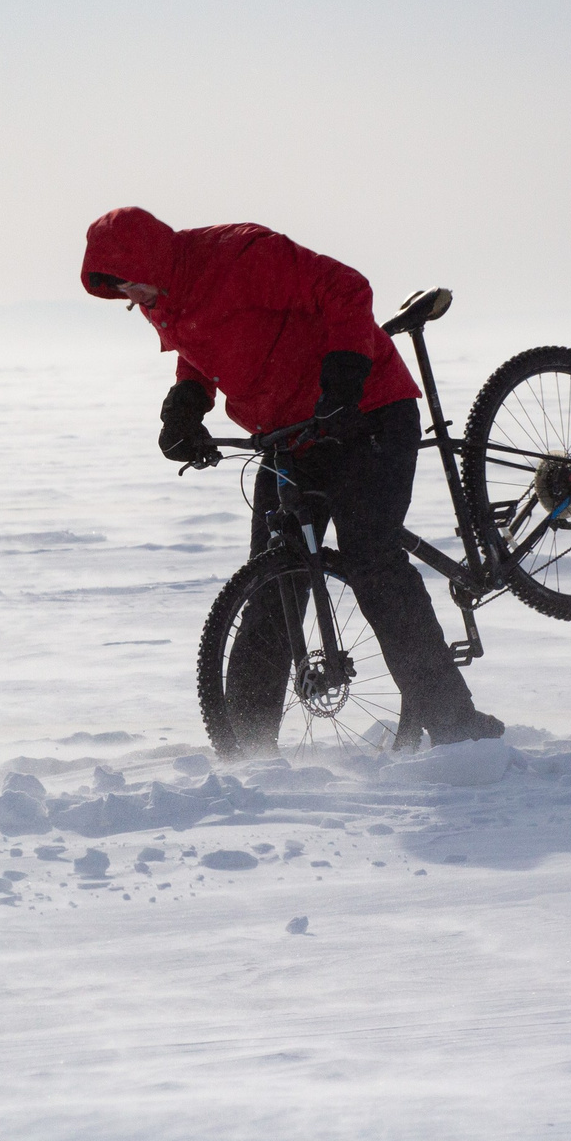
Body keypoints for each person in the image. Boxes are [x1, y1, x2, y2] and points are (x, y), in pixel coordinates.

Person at [80, 205, 502, 750]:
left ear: (155, 259)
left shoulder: (241, 255)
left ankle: (456, 728)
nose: (136, 300)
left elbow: (347, 289)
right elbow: (206, 351)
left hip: (365, 411)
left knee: (371, 558)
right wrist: (187, 406)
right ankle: (248, 749)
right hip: (291, 434)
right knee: (273, 584)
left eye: (136, 285)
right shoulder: (163, 297)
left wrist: (346, 376)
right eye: (125, 293)